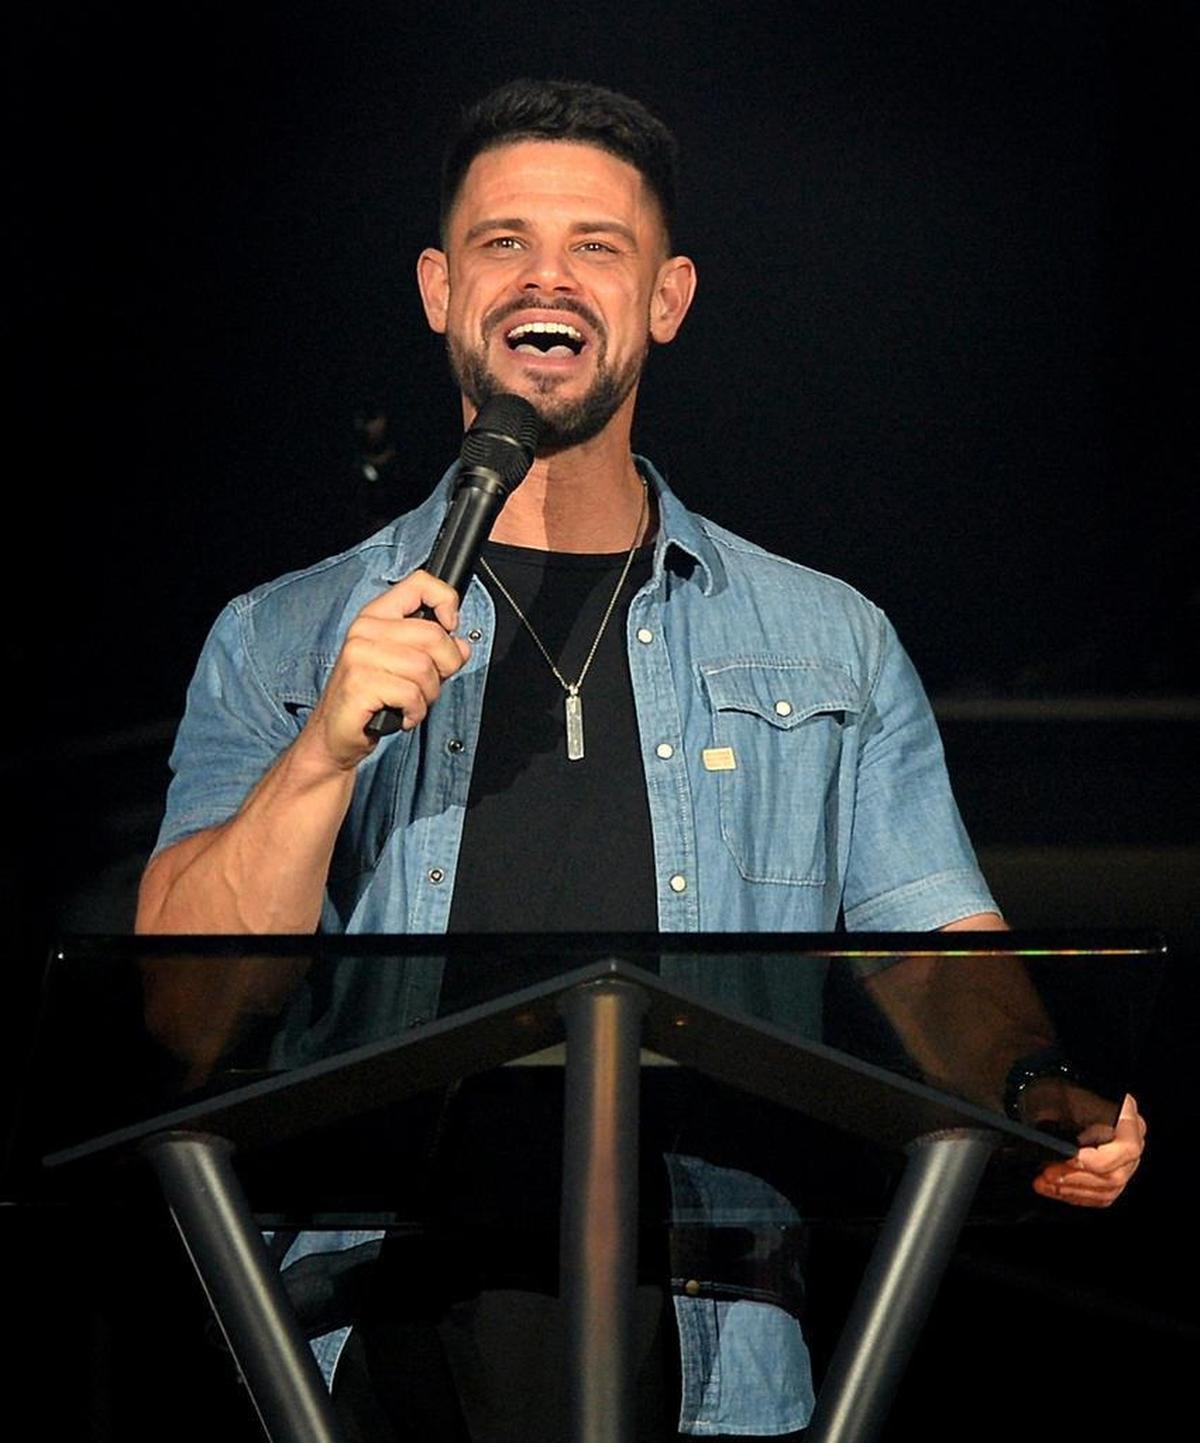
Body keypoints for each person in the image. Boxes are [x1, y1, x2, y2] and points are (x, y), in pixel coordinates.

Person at [136, 78, 1145, 1441]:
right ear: (439, 288)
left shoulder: (826, 641)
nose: (543, 277)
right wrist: (322, 755)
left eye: (594, 247)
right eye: (503, 243)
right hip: (369, 1348)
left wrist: (1034, 1089)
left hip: (707, 1333)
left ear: (665, 299)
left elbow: (930, 955)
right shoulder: (282, 637)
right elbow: (182, 1023)